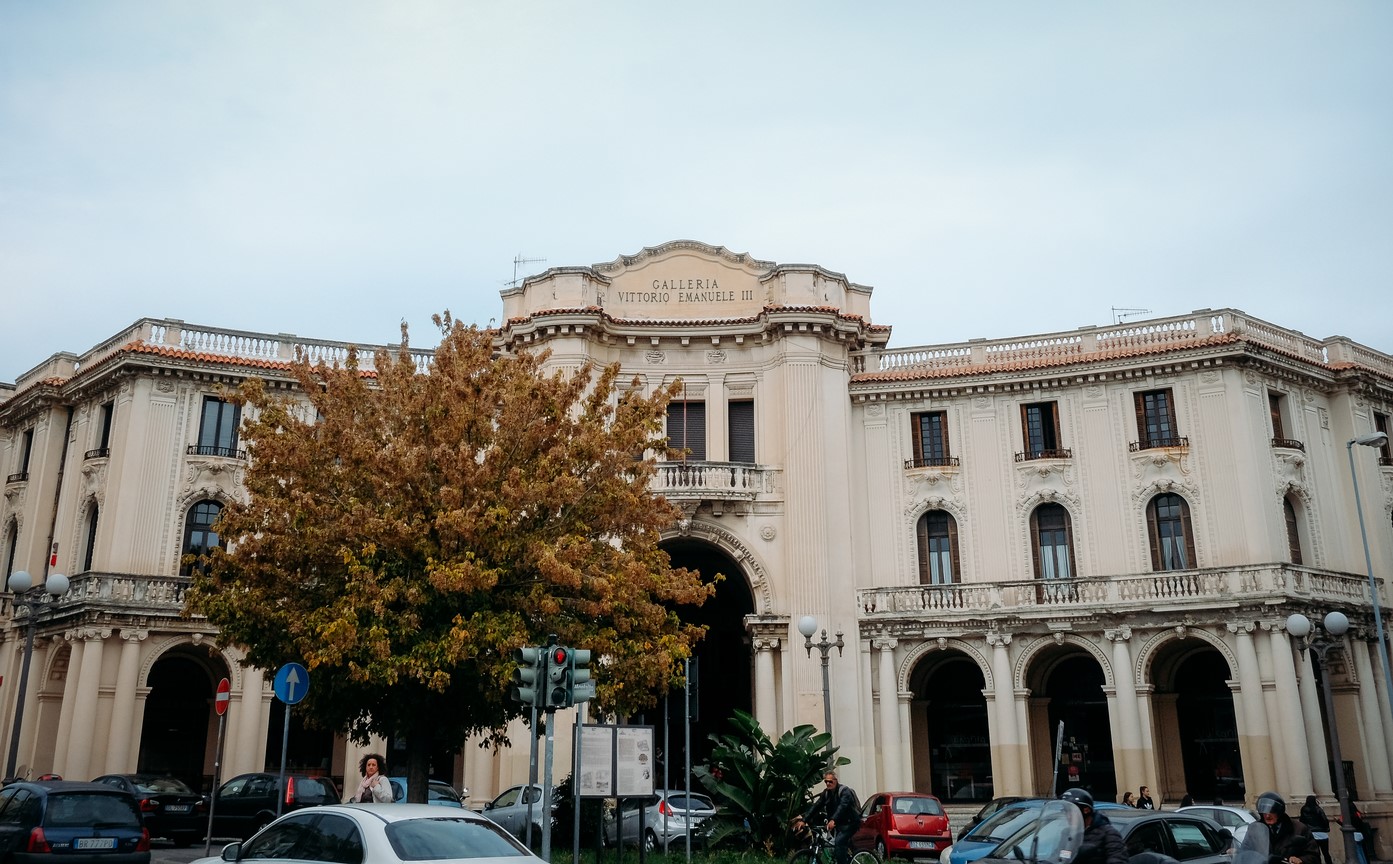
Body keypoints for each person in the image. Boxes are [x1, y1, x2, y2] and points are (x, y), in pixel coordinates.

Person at [793, 771, 861, 864]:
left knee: (839, 842)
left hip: (850, 823)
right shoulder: (826, 793)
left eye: (830, 781)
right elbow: (816, 806)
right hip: (839, 823)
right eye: (826, 782)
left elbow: (842, 807)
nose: (828, 784)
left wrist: (833, 820)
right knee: (834, 846)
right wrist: (804, 820)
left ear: (836, 781)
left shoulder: (845, 791)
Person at [1061, 788, 1127, 864]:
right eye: (1065, 811)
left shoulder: (1109, 834)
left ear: (1086, 810)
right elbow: (1056, 857)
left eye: (1070, 811)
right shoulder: (1066, 834)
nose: (1067, 816)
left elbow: (1118, 860)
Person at [1255, 791, 1318, 864]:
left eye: (1271, 811)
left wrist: (1300, 860)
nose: (1267, 816)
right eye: (1264, 812)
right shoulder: (1256, 829)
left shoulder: (1299, 829)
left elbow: (1314, 856)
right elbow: (1246, 851)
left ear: (1279, 812)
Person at [1298, 795, 1333, 864]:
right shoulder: (1318, 809)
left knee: (1316, 854)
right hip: (1322, 834)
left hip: (1311, 834)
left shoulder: (1304, 809)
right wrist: (1326, 829)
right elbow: (1324, 820)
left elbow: (1302, 821)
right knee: (1326, 853)